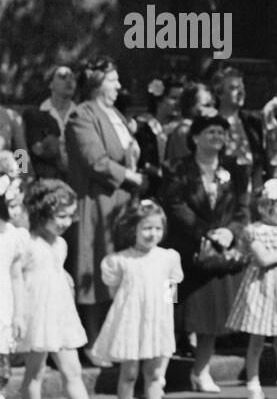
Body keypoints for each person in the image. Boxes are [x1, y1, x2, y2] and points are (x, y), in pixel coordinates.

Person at [15, 180, 119, 399]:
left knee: (72, 370)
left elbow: (57, 273)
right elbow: (17, 277)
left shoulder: (60, 244)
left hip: (60, 312)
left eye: (69, 216)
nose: (65, 222)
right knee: (35, 372)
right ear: (41, 211)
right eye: (60, 216)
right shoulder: (26, 242)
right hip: (36, 313)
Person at [162, 113, 250, 393]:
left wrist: (231, 232)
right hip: (184, 251)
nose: (217, 137)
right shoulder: (175, 167)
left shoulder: (234, 169)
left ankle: (201, 371)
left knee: (210, 317)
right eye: (210, 132)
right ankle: (157, 375)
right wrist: (205, 232)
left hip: (219, 255)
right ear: (195, 137)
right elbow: (175, 205)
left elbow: (242, 208)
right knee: (169, 312)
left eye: (221, 133)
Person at [89, 199, 185, 399]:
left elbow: (170, 290)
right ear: (133, 229)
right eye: (146, 228)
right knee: (129, 372)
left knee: (154, 373)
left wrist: (166, 320)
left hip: (157, 321)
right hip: (132, 322)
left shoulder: (168, 257)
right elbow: (116, 290)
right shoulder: (121, 260)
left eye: (157, 228)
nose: (152, 234)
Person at [65, 59, 144, 339]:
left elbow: (19, 151)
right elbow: (24, 150)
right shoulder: (75, 115)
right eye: (113, 80)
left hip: (120, 200)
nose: (119, 86)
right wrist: (26, 170)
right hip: (92, 195)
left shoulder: (115, 115)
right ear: (96, 82)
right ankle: (92, 337)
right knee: (95, 261)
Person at [225, 179, 277, 399]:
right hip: (261, 287)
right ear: (266, 206)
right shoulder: (254, 230)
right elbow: (262, 259)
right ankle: (254, 392)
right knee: (256, 341)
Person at [0, 162, 29, 399]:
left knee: (2, 376)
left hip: (3, 315)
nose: (17, 205)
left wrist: (20, 313)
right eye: (12, 201)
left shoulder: (13, 235)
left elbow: (16, 275)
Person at [211, 67, 266, 195]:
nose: (241, 92)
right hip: (222, 193)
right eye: (234, 88)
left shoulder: (253, 122)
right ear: (219, 93)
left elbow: (258, 163)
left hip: (251, 194)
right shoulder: (211, 123)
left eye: (242, 88)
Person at [133, 77, 185, 202]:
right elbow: (140, 161)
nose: (178, 103)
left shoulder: (183, 127)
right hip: (150, 190)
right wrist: (162, 173)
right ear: (159, 100)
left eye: (181, 99)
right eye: (173, 98)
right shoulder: (143, 125)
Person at [25, 63, 77, 180]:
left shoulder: (83, 114)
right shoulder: (34, 114)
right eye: (63, 77)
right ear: (50, 84)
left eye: (72, 77)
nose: (69, 80)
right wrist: (23, 176)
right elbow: (21, 150)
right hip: (45, 180)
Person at [163, 82, 216, 166]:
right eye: (206, 105)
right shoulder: (184, 131)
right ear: (190, 106)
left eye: (212, 105)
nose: (211, 109)